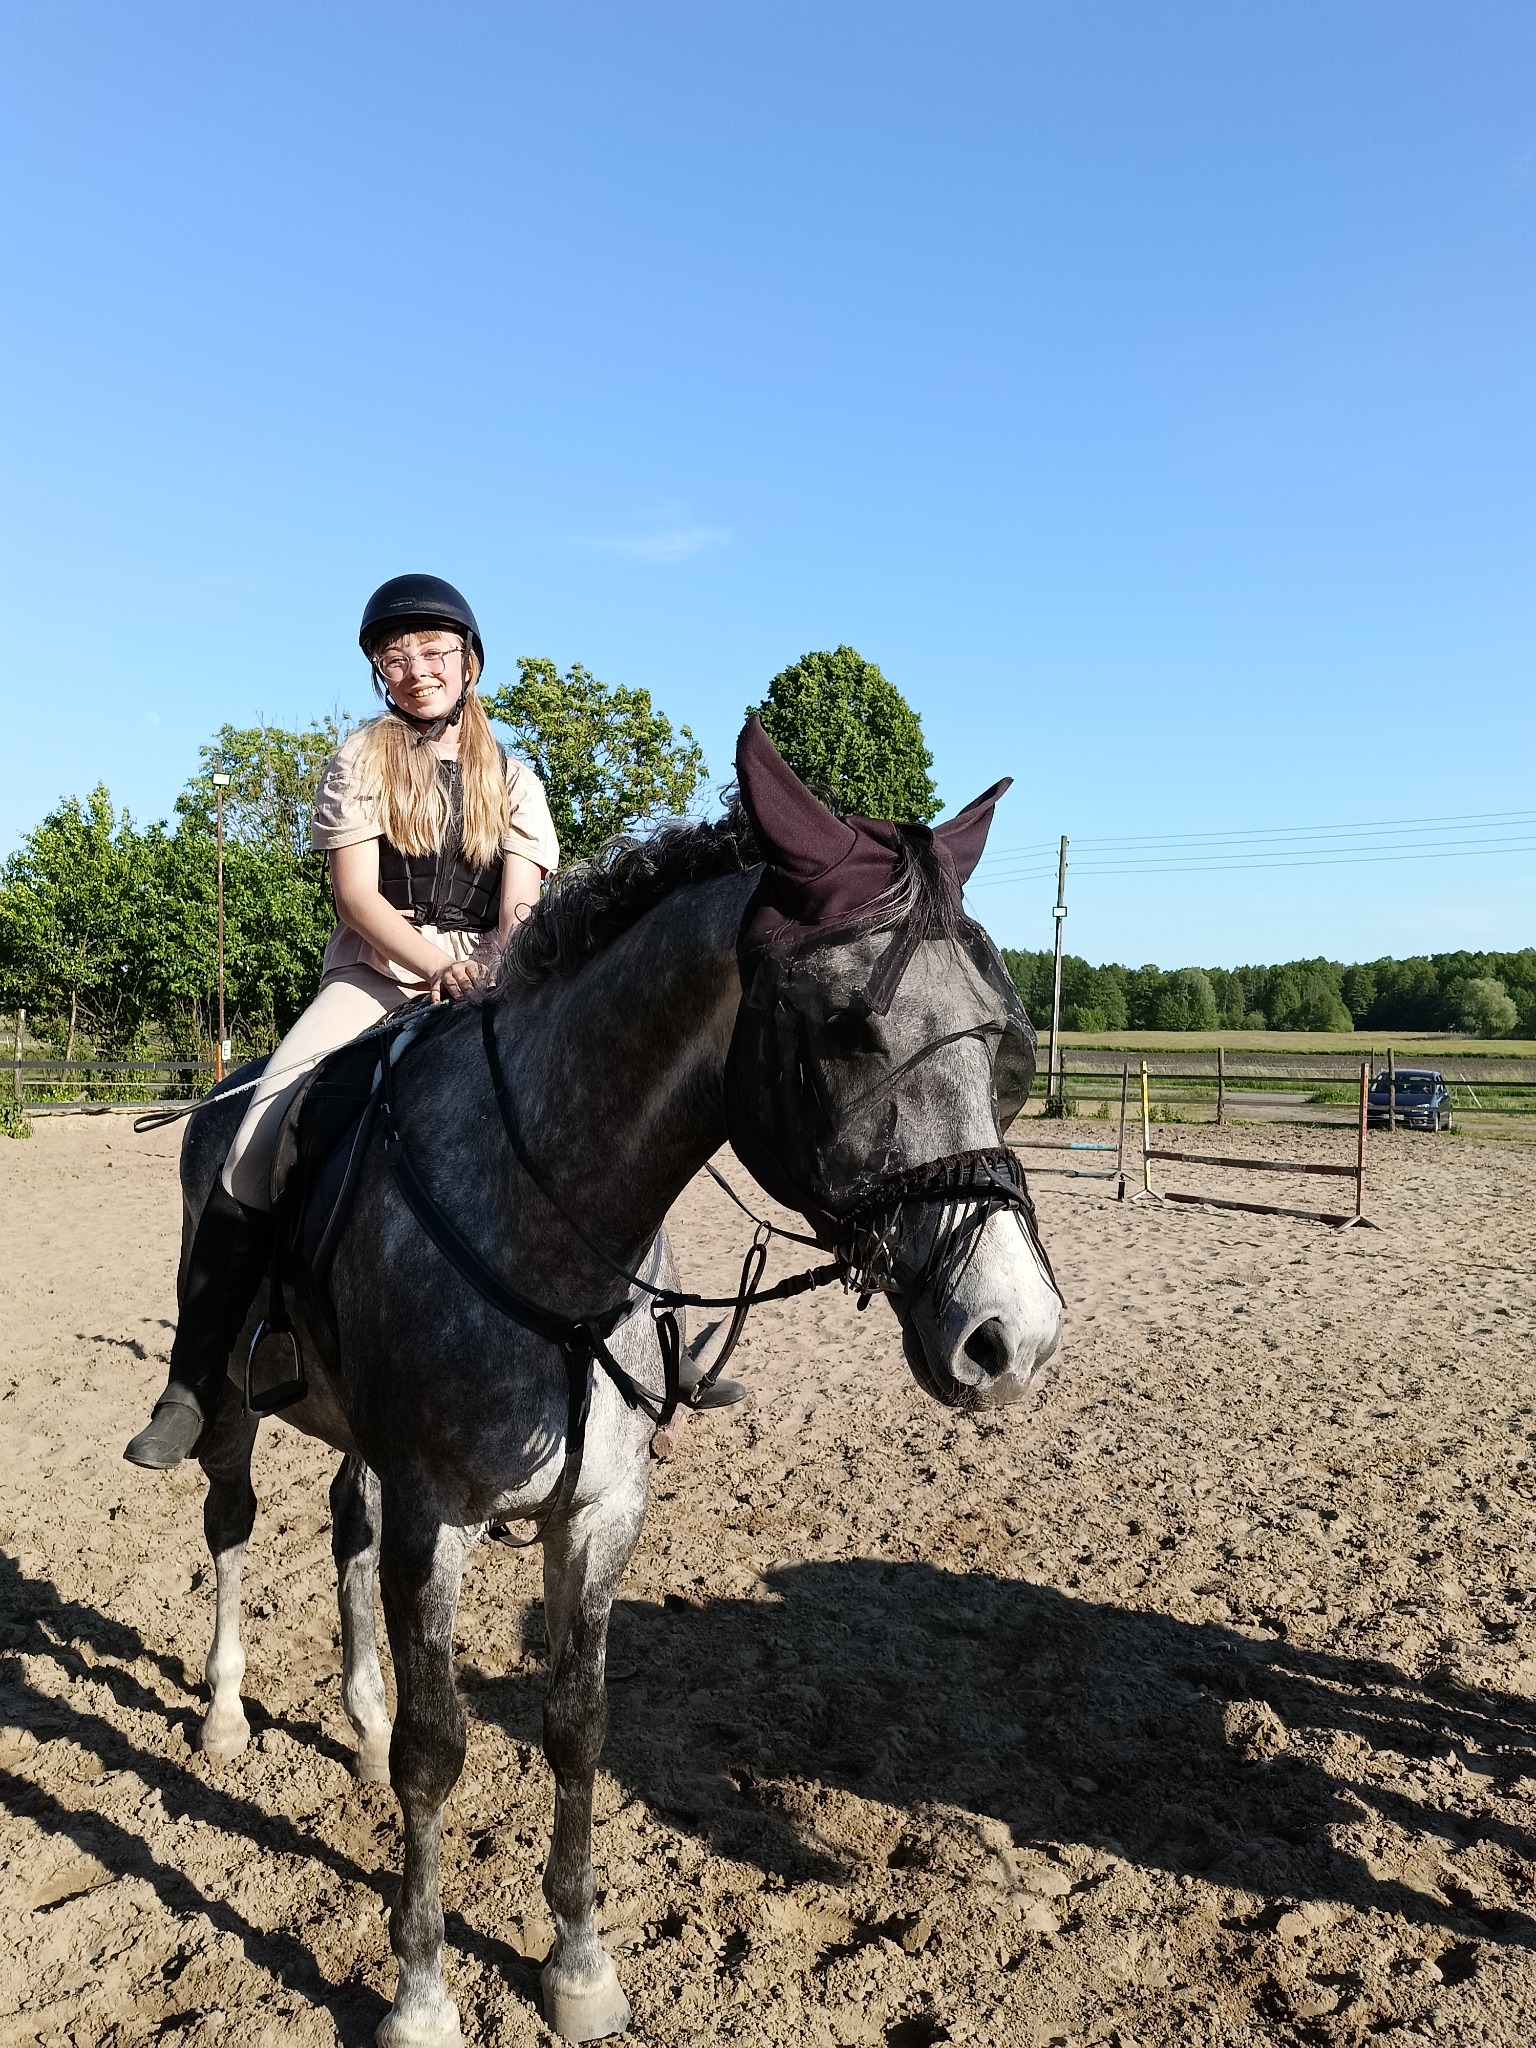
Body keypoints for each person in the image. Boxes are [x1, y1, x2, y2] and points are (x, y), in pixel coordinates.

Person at [124, 574, 559, 1468]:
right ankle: (194, 1379)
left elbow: (519, 910)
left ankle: (652, 1354)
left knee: (589, 1105)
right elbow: (356, 895)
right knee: (250, 1141)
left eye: (434, 651)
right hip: (377, 979)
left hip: (489, 981)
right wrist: (439, 966)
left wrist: (489, 971)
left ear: (470, 662)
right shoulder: (360, 759)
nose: (415, 669)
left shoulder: (514, 779)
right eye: (394, 657)